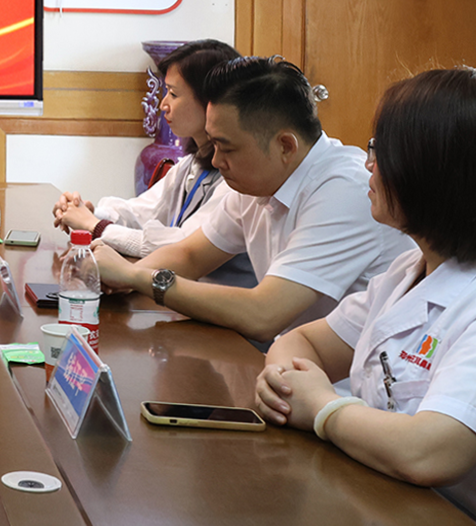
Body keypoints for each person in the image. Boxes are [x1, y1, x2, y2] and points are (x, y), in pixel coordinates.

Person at [254, 68, 476, 487]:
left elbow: (430, 451)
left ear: (432, 171)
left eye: (382, 151)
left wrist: (323, 408)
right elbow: (298, 342)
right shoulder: (406, 272)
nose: (369, 164)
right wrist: (288, 387)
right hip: (376, 493)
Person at [94, 56, 413, 344]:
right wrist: (117, 278)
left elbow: (263, 314)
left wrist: (136, 276)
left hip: (347, 382)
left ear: (285, 146)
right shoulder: (258, 181)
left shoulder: (345, 190)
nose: (216, 161)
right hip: (292, 363)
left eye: (227, 148)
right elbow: (190, 255)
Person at [52, 39, 255, 288]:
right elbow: (140, 212)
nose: (163, 105)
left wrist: (93, 225)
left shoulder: (239, 180)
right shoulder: (191, 165)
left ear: (211, 102)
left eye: (173, 94)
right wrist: (87, 213)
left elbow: (181, 247)